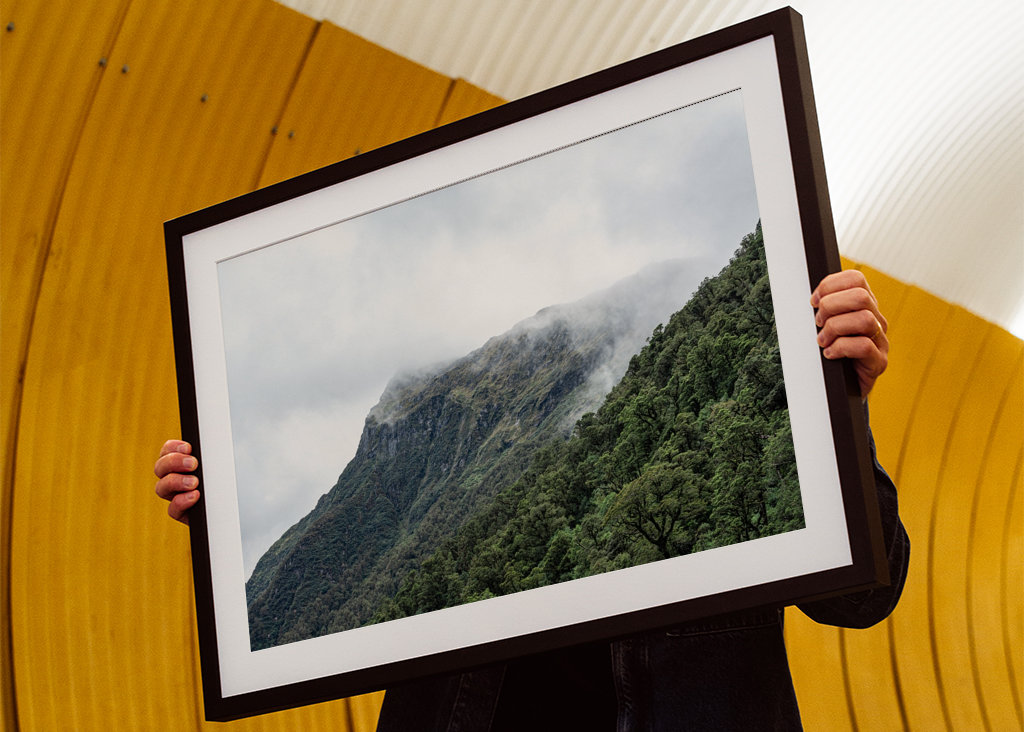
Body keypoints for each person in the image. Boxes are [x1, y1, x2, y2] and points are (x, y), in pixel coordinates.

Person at [154, 270, 909, 730]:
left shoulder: (757, 348)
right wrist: (226, 509)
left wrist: (837, 406)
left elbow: (864, 595)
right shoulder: (450, 391)